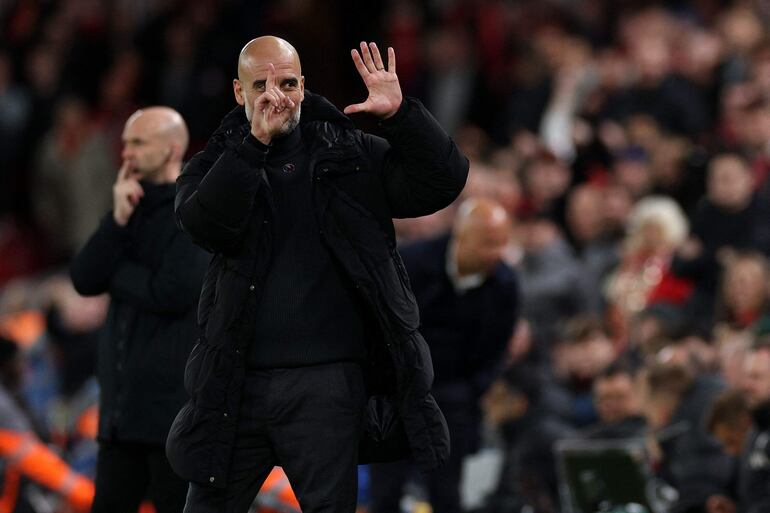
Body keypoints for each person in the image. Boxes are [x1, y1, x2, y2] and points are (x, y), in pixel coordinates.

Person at [167, 36, 468, 513]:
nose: (277, 96)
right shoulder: (212, 166)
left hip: (328, 389)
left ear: (304, 86)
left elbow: (442, 182)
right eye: (261, 85)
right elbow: (205, 224)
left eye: (288, 82)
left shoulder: (352, 156)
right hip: (237, 387)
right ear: (238, 93)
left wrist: (401, 116)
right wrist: (254, 145)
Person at [70, 107, 209, 513]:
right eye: (126, 141)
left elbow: (173, 291)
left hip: (172, 418)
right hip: (120, 416)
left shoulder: (193, 209)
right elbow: (83, 277)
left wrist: (115, 274)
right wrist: (116, 220)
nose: (126, 150)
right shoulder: (127, 207)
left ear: (171, 150)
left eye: (138, 142)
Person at [368, 197, 519, 513]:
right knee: (385, 493)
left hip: (454, 398)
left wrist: (469, 392)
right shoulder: (410, 262)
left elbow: (497, 351)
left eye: (502, 243)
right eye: (488, 243)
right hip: (399, 392)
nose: (497, 253)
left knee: (447, 496)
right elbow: (376, 323)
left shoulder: (505, 285)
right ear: (461, 236)